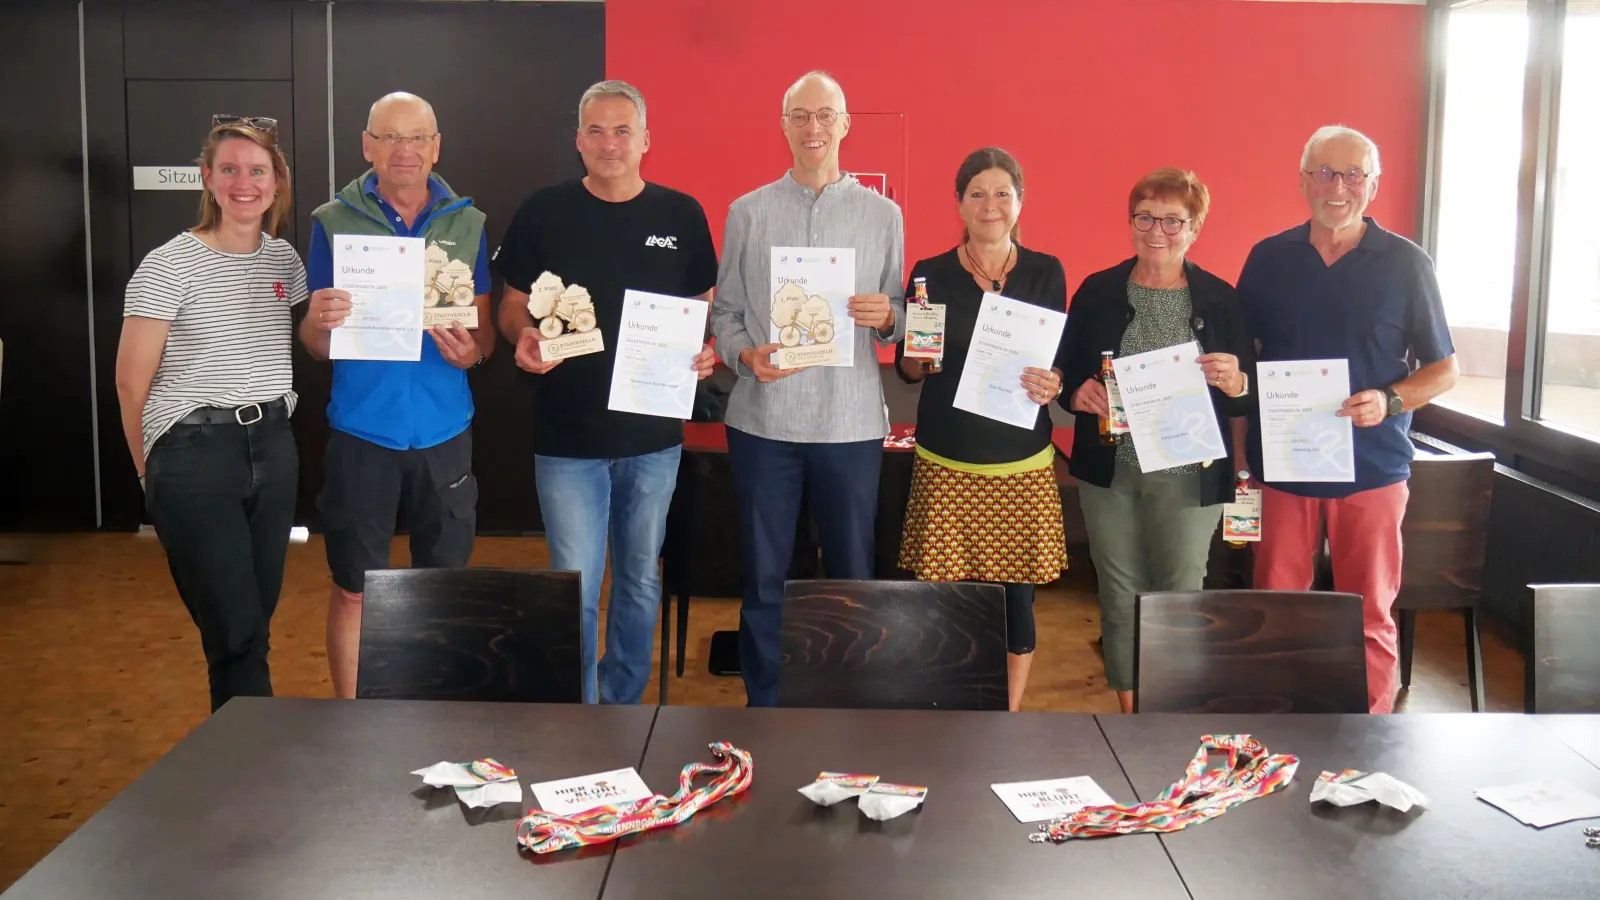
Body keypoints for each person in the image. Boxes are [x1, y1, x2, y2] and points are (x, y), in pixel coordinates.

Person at [494, 80, 718, 704]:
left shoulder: (682, 215)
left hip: (653, 440)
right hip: (567, 441)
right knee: (577, 585)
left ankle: (620, 703)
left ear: (646, 140)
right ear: (578, 141)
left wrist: (705, 349)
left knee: (641, 581)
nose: (609, 142)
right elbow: (511, 306)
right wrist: (522, 337)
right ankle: (581, 708)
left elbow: (701, 308)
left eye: (623, 130)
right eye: (595, 130)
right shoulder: (543, 210)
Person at [1238, 126, 1457, 714]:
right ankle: (1272, 737)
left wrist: (1390, 400)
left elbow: (1445, 370)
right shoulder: (1267, 258)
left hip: (1373, 469)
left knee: (1368, 614)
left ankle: (1370, 748)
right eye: (1325, 173)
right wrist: (1239, 459)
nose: (1338, 187)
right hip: (1283, 469)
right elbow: (1242, 360)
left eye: (1353, 175)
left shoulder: (1408, 264)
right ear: (1304, 180)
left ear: (1373, 185)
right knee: (1275, 611)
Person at [709, 70, 904, 707]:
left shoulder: (884, 214)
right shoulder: (748, 211)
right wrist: (744, 355)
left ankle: (851, 698)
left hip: (849, 425)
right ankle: (764, 703)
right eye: (800, 115)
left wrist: (889, 317)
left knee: (853, 575)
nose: (813, 127)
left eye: (826, 115)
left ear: (846, 124)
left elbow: (904, 309)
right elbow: (726, 312)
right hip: (764, 422)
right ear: (784, 124)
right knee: (766, 577)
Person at [300, 92, 496, 699]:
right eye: (389, 137)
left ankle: (437, 707)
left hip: (444, 432)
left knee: (442, 586)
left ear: (436, 146)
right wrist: (318, 323)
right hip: (363, 432)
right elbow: (313, 343)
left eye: (416, 137)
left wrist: (475, 351)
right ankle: (355, 718)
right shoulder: (331, 221)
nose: (403, 150)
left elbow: (484, 332)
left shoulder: (470, 222)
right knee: (355, 587)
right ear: (367, 145)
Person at [115, 115, 306, 712]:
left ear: (277, 181)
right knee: (236, 634)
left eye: (257, 171)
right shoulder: (168, 264)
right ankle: (254, 770)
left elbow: (320, 337)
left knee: (252, 623)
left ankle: (240, 763)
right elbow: (129, 383)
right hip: (194, 456)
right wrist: (150, 477)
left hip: (273, 450)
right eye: (229, 170)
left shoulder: (286, 263)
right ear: (207, 177)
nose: (243, 183)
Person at [1060, 168, 1255, 714]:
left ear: (1196, 228)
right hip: (1110, 471)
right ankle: (1131, 716)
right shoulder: (1098, 291)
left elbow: (1246, 394)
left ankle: (1171, 714)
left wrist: (1235, 379)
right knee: (1118, 596)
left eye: (1174, 220)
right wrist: (1078, 395)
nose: (1158, 230)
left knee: (1179, 597)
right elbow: (1065, 372)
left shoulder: (1221, 300)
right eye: (1146, 216)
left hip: (1190, 476)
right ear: (1130, 222)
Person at [894, 147, 1068, 712]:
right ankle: (946, 708)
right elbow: (910, 367)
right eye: (977, 193)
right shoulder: (931, 273)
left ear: (1020, 201)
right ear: (959, 204)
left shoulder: (1047, 272)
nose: (990, 205)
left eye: (1002, 193)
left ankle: (1009, 716)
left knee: (1017, 605)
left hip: (1019, 460)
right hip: (948, 459)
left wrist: (1055, 382)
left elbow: (1057, 362)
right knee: (944, 601)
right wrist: (921, 356)